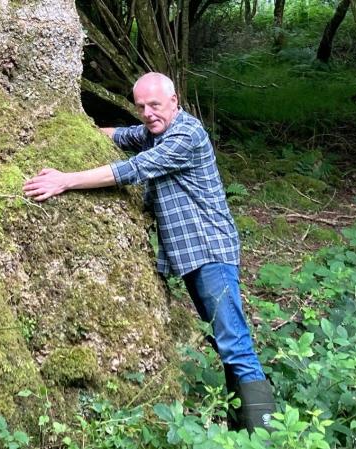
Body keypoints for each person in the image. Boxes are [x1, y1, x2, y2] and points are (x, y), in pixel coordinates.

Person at [22, 72, 275, 433]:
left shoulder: (186, 135)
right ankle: (240, 434)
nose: (148, 113)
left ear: (174, 101)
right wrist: (75, 125)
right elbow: (123, 136)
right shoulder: (157, 133)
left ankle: (264, 436)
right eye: (141, 106)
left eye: (155, 105)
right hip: (191, 257)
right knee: (224, 343)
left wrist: (66, 179)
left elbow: (133, 169)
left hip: (210, 252)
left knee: (235, 344)